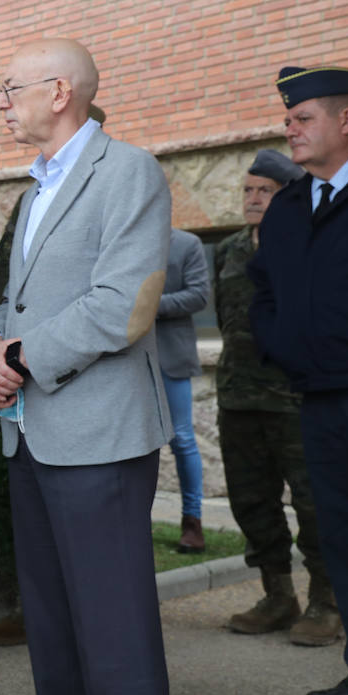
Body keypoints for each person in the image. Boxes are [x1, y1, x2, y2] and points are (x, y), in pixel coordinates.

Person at [0, 37, 172, 695]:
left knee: (114, 630)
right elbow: (20, 297)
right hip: (33, 434)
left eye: (10, 89)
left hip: (99, 436)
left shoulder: (128, 172)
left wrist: (20, 357)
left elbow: (125, 306)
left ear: (59, 93)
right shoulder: (39, 187)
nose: (0, 104)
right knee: (54, 625)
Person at [248, 64, 348, 695]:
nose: (290, 129)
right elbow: (264, 290)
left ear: (347, 120)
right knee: (341, 534)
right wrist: (279, 344)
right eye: (288, 119)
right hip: (318, 398)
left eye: (303, 118)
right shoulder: (288, 207)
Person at [216, 148, 336, 645]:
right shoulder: (228, 249)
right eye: (247, 190)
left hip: (296, 398)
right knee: (251, 501)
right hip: (238, 396)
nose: (253, 198)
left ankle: (328, 603)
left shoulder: (310, 240)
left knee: (314, 504)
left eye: (264, 190)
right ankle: (277, 596)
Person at [156, 227, 210, 552]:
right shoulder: (121, 237)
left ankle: (193, 521)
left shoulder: (188, 244)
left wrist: (150, 304)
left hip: (171, 357)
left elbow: (199, 294)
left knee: (183, 439)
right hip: (126, 358)